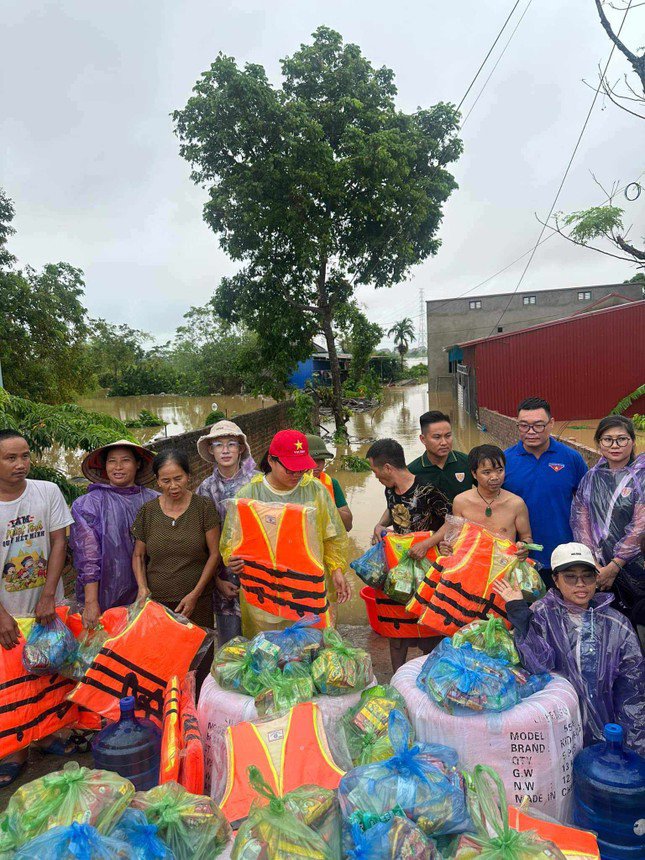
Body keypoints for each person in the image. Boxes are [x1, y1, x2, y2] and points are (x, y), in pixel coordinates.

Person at [494, 543, 644, 755]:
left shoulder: (616, 624)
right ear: (555, 580)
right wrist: (520, 613)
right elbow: (538, 665)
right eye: (570, 577)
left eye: (587, 576)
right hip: (558, 730)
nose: (580, 584)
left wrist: (632, 745)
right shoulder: (543, 614)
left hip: (606, 732)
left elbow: (632, 688)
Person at [0, 429, 76, 785]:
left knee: (50, 674)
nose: (20, 464)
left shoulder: (46, 492)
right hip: (7, 612)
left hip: (47, 605)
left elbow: (59, 540)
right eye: (10, 458)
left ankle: (48, 736)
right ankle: (16, 749)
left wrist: (49, 595)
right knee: (12, 684)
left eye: (25, 456)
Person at [222, 430, 350, 637]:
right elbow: (230, 542)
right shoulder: (248, 496)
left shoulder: (315, 491)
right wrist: (232, 559)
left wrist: (336, 570)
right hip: (264, 596)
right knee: (269, 657)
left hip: (306, 592)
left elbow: (333, 537)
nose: (297, 476)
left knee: (308, 652)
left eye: (301, 469)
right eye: (290, 470)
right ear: (272, 461)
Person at [132, 449, 220, 691]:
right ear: (157, 481)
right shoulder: (148, 512)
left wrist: (195, 593)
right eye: (166, 480)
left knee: (198, 663)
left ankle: (197, 713)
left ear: (188, 476)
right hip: (158, 604)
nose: (173, 486)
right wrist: (142, 588)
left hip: (197, 603)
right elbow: (139, 555)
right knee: (164, 663)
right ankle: (169, 715)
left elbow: (214, 554)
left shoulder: (203, 507)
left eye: (178, 478)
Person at [367, 438, 450, 670]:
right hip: (400, 564)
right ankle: (397, 680)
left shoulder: (428, 489)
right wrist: (379, 524)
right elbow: (392, 509)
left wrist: (428, 543)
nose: (375, 477)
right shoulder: (390, 488)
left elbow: (452, 523)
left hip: (427, 564)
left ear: (387, 468)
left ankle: (428, 674)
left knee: (427, 627)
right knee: (396, 625)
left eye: (375, 471)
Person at [69, 440, 158, 629]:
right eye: (112, 461)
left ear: (138, 464)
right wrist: (91, 602)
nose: (118, 467)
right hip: (104, 594)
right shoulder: (88, 504)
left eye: (125, 460)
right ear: (104, 466)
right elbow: (87, 558)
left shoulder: (154, 500)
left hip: (151, 590)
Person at [503, 396, 587, 588]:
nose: (530, 432)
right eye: (523, 426)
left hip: (564, 556)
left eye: (538, 425)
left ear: (551, 424)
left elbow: (587, 506)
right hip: (519, 558)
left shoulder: (571, 458)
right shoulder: (505, 461)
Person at [571, 415, 644, 626]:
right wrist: (593, 564)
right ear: (599, 442)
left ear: (632, 441)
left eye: (621, 439)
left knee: (636, 625)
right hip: (598, 569)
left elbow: (640, 527)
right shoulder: (592, 477)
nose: (615, 445)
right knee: (605, 627)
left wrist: (615, 566)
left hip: (635, 569)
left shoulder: (641, 477)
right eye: (607, 439)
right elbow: (580, 521)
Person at [195, 420, 259, 646]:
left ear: (240, 449)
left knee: (261, 642)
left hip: (257, 575)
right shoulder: (204, 489)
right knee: (230, 645)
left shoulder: (258, 483)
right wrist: (216, 580)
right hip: (222, 577)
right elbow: (200, 541)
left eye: (231, 444)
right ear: (211, 451)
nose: (225, 450)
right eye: (218, 445)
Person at [408, 411, 474, 501]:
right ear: (423, 439)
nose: (444, 442)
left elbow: (488, 493)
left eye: (448, 436)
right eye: (437, 437)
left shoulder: (468, 462)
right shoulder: (412, 471)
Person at [306, 434, 353, 532]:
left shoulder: (332, 483)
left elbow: (348, 525)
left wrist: (327, 504)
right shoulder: (292, 483)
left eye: (320, 460)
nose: (316, 465)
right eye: (311, 460)